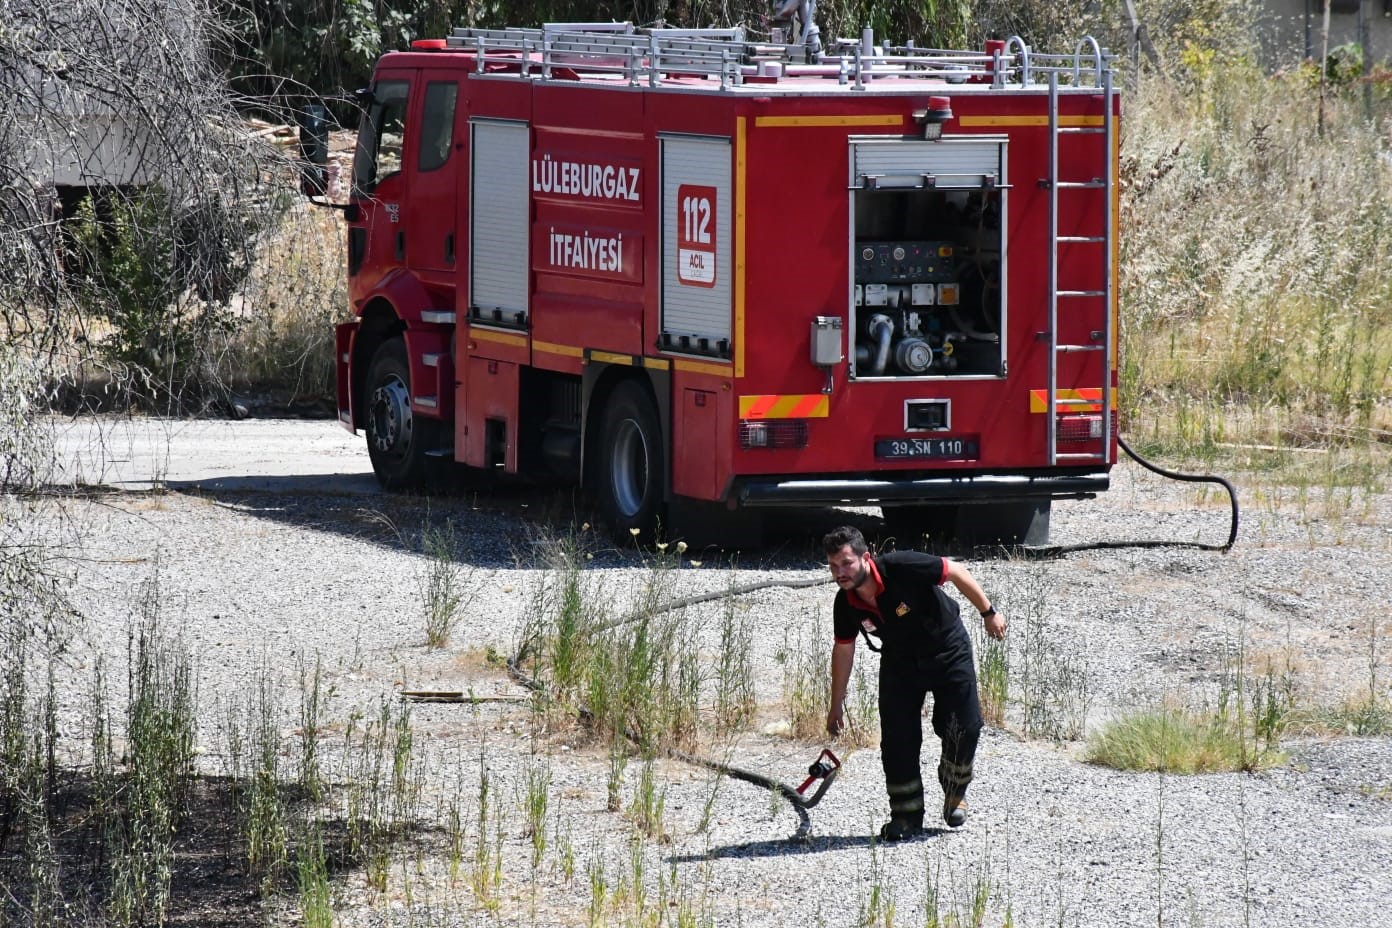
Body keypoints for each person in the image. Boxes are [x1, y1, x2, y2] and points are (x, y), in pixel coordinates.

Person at [822, 525, 1006, 840]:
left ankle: (954, 790)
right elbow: (843, 650)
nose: (841, 572)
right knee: (897, 741)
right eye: (834, 566)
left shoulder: (902, 566)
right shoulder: (846, 604)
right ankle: (906, 816)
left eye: (847, 563)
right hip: (900, 661)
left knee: (965, 726)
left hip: (947, 648)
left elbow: (956, 572)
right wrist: (835, 704)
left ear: (866, 558)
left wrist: (989, 613)